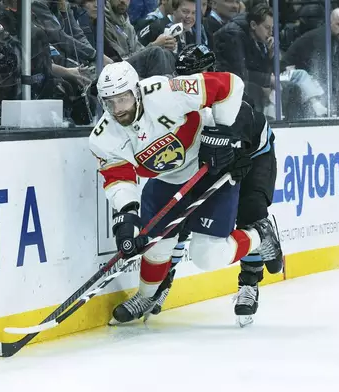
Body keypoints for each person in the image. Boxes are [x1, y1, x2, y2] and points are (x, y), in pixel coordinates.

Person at [89, 60, 277, 326]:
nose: (118, 109)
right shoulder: (103, 136)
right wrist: (128, 212)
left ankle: (261, 234)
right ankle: (146, 296)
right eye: (110, 102)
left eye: (123, 99)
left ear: (136, 91)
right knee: (154, 246)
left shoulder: (166, 92)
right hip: (167, 179)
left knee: (207, 255)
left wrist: (222, 133)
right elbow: (118, 177)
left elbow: (230, 84)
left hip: (209, 167)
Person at [147, 44, 282, 327]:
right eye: (184, 76)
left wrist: (236, 157)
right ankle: (163, 283)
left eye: (195, 75)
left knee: (250, 211)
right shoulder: (180, 106)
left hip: (253, 158)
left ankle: (249, 282)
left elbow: (241, 148)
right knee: (181, 215)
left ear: (209, 73)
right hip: (214, 163)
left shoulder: (234, 106)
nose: (190, 84)